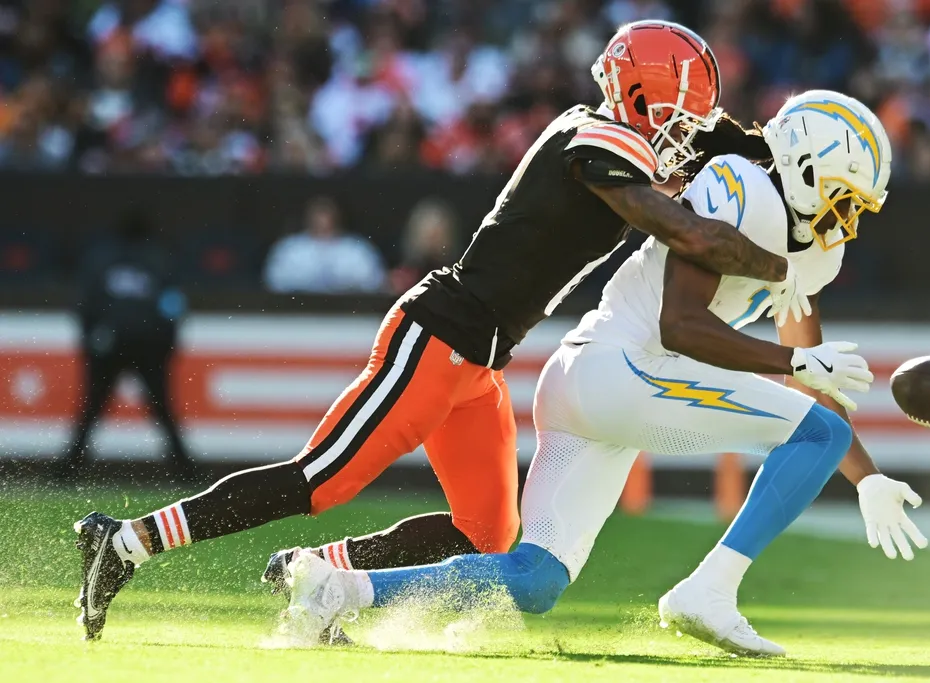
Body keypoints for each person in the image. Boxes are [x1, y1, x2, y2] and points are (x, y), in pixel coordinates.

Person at [73, 21, 807, 642]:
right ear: (641, 96)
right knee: (323, 478)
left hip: (479, 360)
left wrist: (778, 154)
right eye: (677, 113)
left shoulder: (613, 134)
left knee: (486, 536)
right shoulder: (596, 138)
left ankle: (316, 573)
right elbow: (683, 229)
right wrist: (780, 263)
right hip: (437, 335)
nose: (685, 132)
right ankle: (127, 539)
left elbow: (714, 141)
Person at [277, 90, 928, 657]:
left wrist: (866, 476)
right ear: (804, 169)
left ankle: (337, 588)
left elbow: (814, 380)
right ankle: (710, 590)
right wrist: (793, 365)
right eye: (845, 198)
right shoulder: (742, 188)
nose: (850, 218)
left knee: (533, 581)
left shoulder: (817, 252)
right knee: (815, 433)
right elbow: (683, 325)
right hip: (628, 369)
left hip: (591, 383)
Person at [60, 207, 193, 480]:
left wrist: (91, 341)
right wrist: (167, 345)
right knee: (163, 410)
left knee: (91, 409)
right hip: (149, 346)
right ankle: (186, 471)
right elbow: (174, 307)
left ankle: (68, 470)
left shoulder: (101, 259)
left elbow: (85, 305)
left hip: (109, 344)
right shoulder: (160, 259)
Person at [263, 196, 388, 294]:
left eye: (326, 215)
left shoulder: (356, 249)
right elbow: (275, 280)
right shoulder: (290, 248)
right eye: (318, 215)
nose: (322, 222)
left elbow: (374, 281)